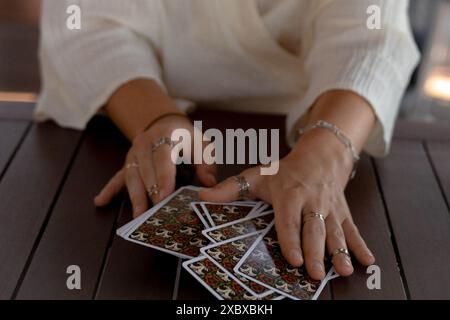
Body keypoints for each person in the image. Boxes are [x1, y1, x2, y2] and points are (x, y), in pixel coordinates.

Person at [36, 0, 419, 280]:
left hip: (313, 120)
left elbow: (371, 39)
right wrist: (155, 118)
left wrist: (327, 153)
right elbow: (84, 23)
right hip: (134, 110)